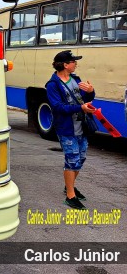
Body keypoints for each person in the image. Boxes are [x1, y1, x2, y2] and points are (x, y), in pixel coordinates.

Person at [45, 50, 96, 210]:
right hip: (66, 128)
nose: (76, 64)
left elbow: (84, 99)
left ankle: (70, 186)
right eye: (73, 61)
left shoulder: (76, 79)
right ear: (65, 65)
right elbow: (58, 107)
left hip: (81, 126)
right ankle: (70, 196)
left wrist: (90, 91)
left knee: (80, 159)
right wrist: (80, 107)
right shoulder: (53, 85)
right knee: (72, 160)